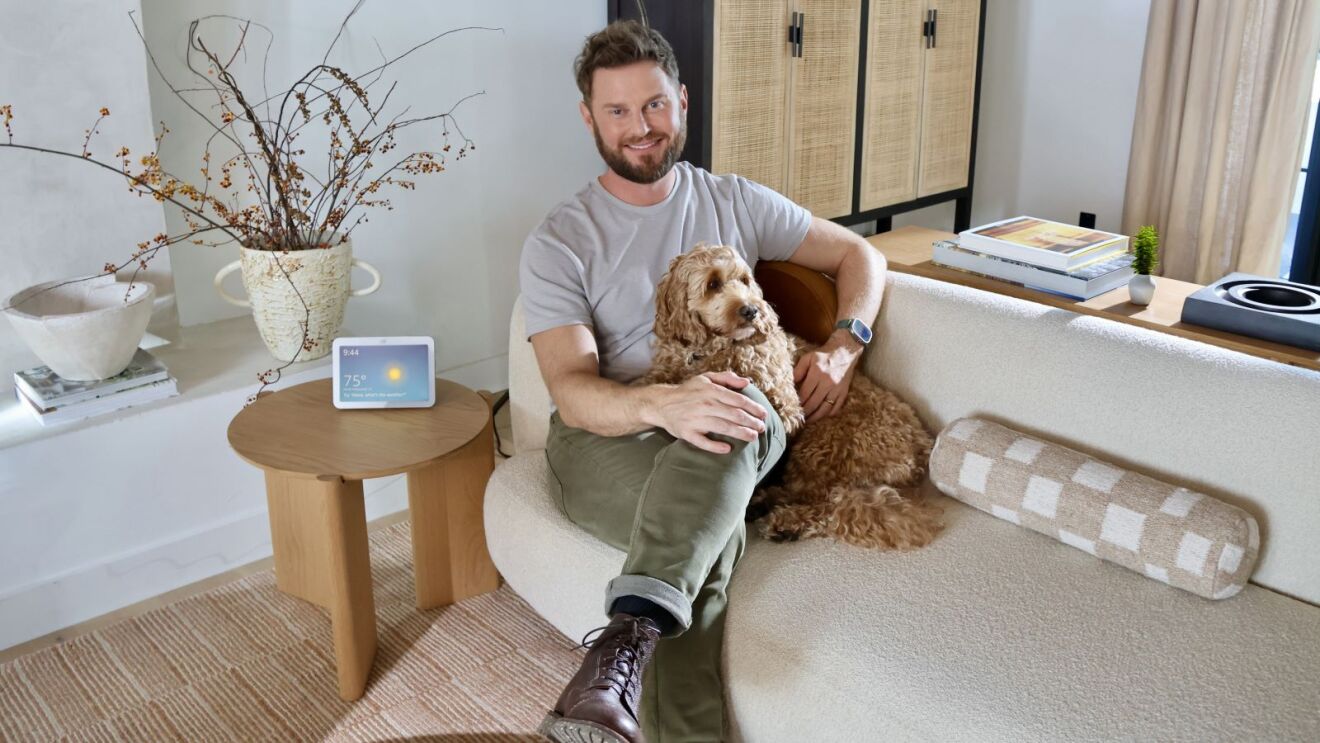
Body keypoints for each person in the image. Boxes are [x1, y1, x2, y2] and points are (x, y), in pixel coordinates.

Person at [522, 19, 888, 743]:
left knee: (734, 409)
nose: (641, 127)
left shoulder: (735, 200)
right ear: (589, 117)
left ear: (682, 101)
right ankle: (642, 651)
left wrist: (845, 347)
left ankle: (615, 662)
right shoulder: (560, 240)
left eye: (654, 104)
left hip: (734, 418)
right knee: (706, 539)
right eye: (618, 110)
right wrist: (665, 402)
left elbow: (860, 256)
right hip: (609, 432)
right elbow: (571, 390)